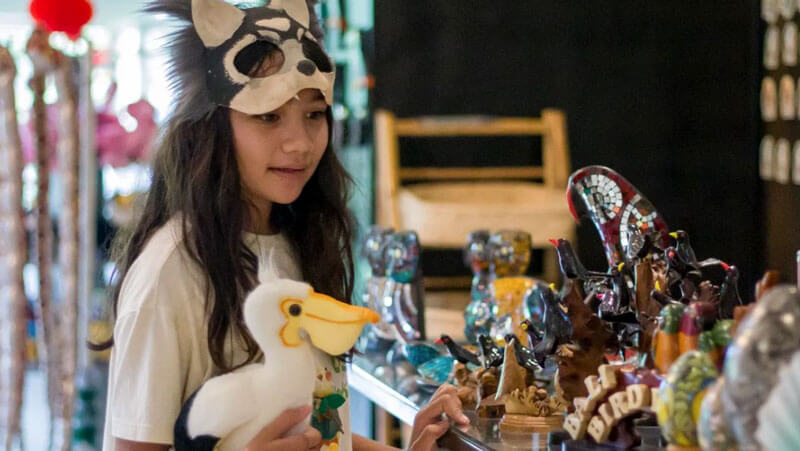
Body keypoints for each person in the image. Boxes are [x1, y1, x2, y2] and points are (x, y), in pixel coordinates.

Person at [99, 0, 469, 450]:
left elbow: (313, 425)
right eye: (268, 115)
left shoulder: (300, 242)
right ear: (212, 125)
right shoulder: (170, 274)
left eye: (314, 114)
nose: (299, 143)